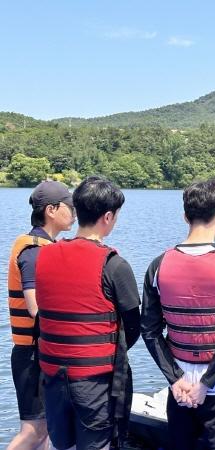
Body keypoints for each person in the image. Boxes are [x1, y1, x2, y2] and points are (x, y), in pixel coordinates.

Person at [141, 179, 215, 450]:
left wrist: (175, 378)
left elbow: (150, 331)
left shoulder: (159, 264)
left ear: (185, 216)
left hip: (179, 387)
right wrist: (206, 384)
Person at [35, 176, 141, 450]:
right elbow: (133, 326)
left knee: (64, 445)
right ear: (108, 216)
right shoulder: (114, 265)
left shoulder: (44, 255)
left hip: (53, 378)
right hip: (94, 382)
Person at [7, 181, 75, 450]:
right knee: (34, 431)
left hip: (37, 352)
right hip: (31, 354)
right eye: (70, 207)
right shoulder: (34, 251)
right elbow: (36, 308)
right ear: (51, 210)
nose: (74, 213)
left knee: (45, 430)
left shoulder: (44, 245)